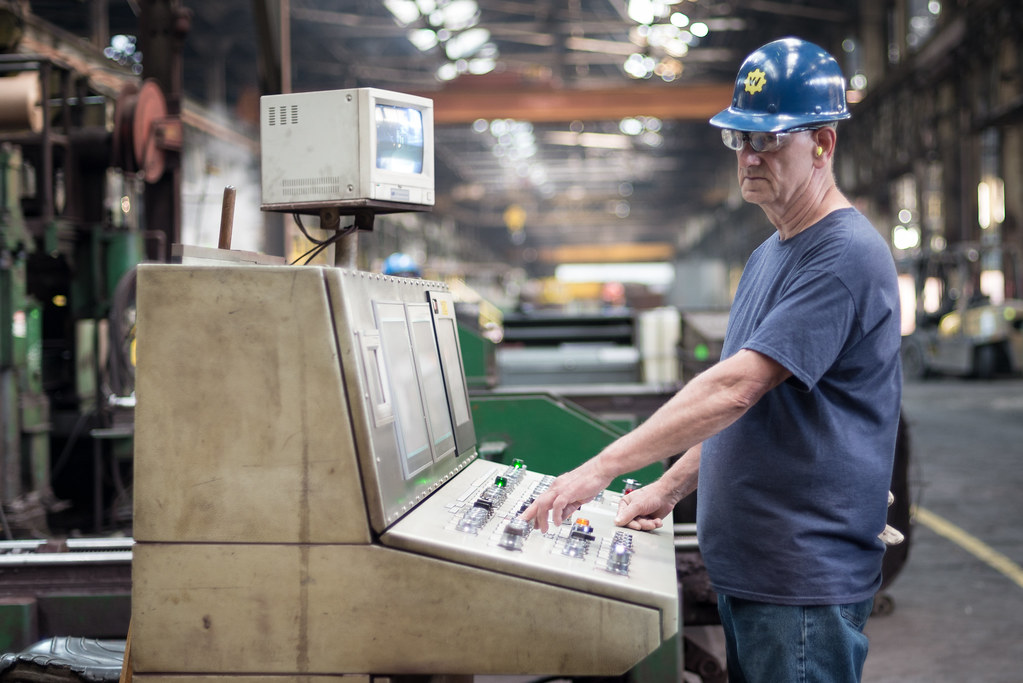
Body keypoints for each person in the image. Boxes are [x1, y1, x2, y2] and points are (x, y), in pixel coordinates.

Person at [519, 37, 902, 683]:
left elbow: (733, 389)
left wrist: (602, 467)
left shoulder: (842, 254)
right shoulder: (771, 252)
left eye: (768, 141)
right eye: (738, 141)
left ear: (822, 144)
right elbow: (750, 409)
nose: (748, 157)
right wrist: (667, 488)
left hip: (800, 577)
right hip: (755, 566)